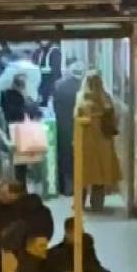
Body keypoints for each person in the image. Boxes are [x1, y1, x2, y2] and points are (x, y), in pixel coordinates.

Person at [74, 70, 122, 212]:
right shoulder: (106, 99)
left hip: (85, 143)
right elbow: (115, 119)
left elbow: (76, 119)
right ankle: (97, 204)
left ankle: (79, 204)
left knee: (83, 176)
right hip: (103, 143)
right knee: (100, 176)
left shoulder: (81, 99)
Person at [50, 61, 84, 196]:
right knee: (77, 157)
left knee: (64, 156)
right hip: (79, 126)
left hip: (62, 125)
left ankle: (65, 187)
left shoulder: (59, 85)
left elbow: (54, 105)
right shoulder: (82, 88)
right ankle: (77, 187)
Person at [1, 72, 39, 187]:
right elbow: (23, 113)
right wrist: (26, 100)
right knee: (20, 162)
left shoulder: (6, 94)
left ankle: (20, 182)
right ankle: (20, 184)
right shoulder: (15, 97)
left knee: (18, 160)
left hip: (14, 131)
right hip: (20, 133)